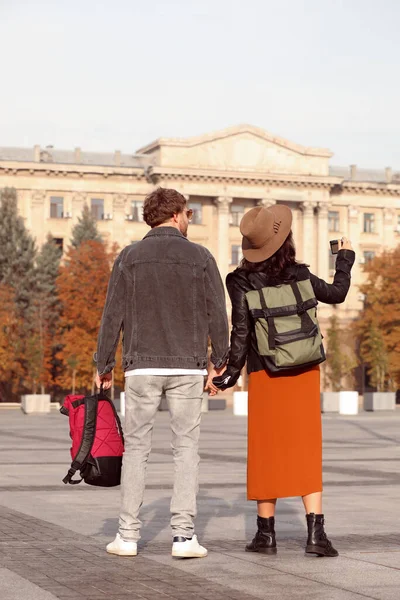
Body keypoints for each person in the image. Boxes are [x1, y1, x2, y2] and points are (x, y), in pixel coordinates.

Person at [214, 204, 355, 557]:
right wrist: (345, 257)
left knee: (265, 450)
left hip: (265, 373)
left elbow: (241, 333)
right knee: (306, 448)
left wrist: (228, 374)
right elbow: (338, 294)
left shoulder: (240, 281)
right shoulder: (302, 275)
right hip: (305, 371)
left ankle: (266, 535)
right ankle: (316, 535)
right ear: (286, 240)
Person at [95, 187, 229, 558]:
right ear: (174, 214)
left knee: (137, 448)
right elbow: (217, 311)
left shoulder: (129, 257)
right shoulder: (201, 256)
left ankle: (127, 536)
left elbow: (112, 314)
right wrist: (220, 362)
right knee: (185, 449)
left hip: (142, 367)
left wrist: (103, 365)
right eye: (188, 213)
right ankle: (184, 538)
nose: (190, 219)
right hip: (187, 366)